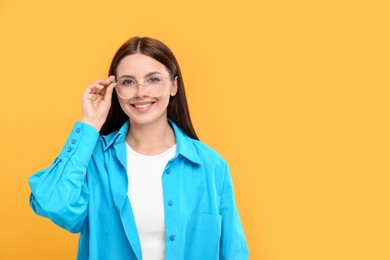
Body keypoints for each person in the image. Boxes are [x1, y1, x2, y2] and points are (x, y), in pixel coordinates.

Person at [28, 36, 249, 260]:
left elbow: (234, 253)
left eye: (153, 79)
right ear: (114, 90)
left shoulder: (211, 166)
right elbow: (52, 203)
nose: (141, 92)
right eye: (128, 82)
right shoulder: (95, 160)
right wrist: (89, 124)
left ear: (174, 85)